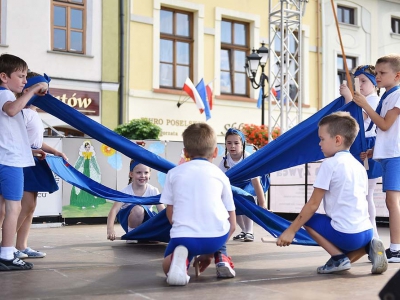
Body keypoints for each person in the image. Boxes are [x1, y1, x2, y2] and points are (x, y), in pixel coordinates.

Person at [276, 111, 388, 275]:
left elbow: (313, 204)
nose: (319, 144)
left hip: (348, 236)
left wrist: (291, 230)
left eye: (322, 139)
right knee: (338, 225)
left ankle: (338, 258)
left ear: (337, 140)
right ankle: (367, 248)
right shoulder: (358, 166)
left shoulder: (330, 165)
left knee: (310, 220)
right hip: (367, 231)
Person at [160, 123, 236, 286]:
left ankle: (182, 259)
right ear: (216, 152)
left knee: (167, 267)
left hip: (184, 236)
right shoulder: (221, 176)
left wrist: (183, 229)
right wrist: (211, 249)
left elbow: (170, 213)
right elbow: (233, 222)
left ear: (185, 152)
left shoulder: (173, 174)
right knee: (221, 224)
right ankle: (221, 257)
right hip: (216, 238)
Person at [0, 54, 48, 271]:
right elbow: (10, 110)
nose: (24, 81)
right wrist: (31, 91)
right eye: (21, 76)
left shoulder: (7, 95)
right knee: (14, 207)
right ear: (4, 77)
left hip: (9, 158)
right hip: (9, 162)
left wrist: (33, 150)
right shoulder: (5, 95)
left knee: (5, 208)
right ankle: (7, 254)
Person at [13, 72, 68, 259]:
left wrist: (55, 151)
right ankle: (7, 245)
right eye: (41, 92)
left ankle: (21, 245)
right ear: (28, 90)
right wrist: (33, 152)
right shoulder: (20, 113)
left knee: (31, 206)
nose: (45, 96)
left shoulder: (33, 113)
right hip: (24, 162)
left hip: (35, 161)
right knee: (25, 205)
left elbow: (36, 141)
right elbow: (15, 142)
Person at [353, 54, 400, 263]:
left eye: (382, 73)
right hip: (388, 155)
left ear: (397, 75)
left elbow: (384, 124)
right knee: (391, 202)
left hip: (395, 156)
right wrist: (374, 151)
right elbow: (386, 131)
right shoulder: (388, 96)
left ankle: (396, 249)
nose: (378, 76)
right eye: (377, 72)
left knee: (393, 201)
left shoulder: (397, 95)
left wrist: (365, 105)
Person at [339, 65, 382, 238]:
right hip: (359, 145)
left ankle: (372, 232)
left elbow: (360, 117)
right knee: (360, 192)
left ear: (374, 83)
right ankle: (367, 231)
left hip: (368, 146)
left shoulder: (372, 100)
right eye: (357, 82)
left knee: (366, 193)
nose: (360, 85)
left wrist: (349, 98)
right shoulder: (365, 99)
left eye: (363, 81)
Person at [218, 128, 267, 242]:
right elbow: (221, 181)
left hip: (251, 183)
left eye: (236, 143)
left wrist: (262, 203)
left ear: (242, 144)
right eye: (229, 143)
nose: (232, 146)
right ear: (225, 144)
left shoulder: (247, 158)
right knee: (234, 203)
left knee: (245, 198)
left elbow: (256, 182)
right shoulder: (225, 161)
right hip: (235, 185)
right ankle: (244, 230)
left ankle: (250, 231)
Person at [107, 159, 164, 241]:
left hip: (147, 222)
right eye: (138, 172)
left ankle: (148, 234)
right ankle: (132, 235)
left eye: (146, 172)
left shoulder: (153, 190)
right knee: (138, 209)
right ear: (131, 174)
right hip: (131, 221)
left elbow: (162, 212)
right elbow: (114, 211)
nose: (143, 175)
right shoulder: (125, 192)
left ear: (150, 174)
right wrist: (110, 229)